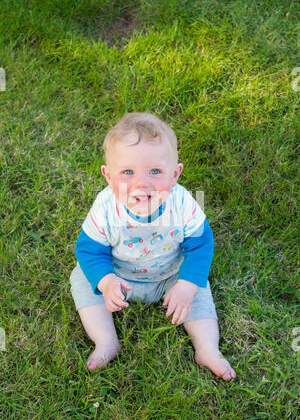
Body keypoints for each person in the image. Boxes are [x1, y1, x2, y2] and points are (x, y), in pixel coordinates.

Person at [70, 112, 236, 380]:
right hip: (118, 278)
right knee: (81, 277)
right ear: (108, 176)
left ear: (175, 174)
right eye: (127, 172)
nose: (141, 183)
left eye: (155, 172)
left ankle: (207, 349)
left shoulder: (183, 204)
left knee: (199, 290)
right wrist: (106, 280)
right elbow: (90, 250)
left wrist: (186, 285)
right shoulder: (105, 208)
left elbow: (201, 245)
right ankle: (106, 341)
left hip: (170, 277)